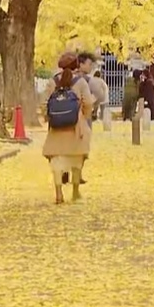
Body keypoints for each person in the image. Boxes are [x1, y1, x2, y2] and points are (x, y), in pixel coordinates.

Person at [43, 52, 95, 204]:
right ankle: (75, 191)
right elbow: (88, 103)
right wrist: (84, 117)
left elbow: (44, 103)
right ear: (76, 65)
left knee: (57, 161)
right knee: (76, 159)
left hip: (56, 128)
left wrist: (50, 118)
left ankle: (59, 193)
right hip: (75, 126)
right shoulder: (80, 82)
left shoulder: (53, 82)